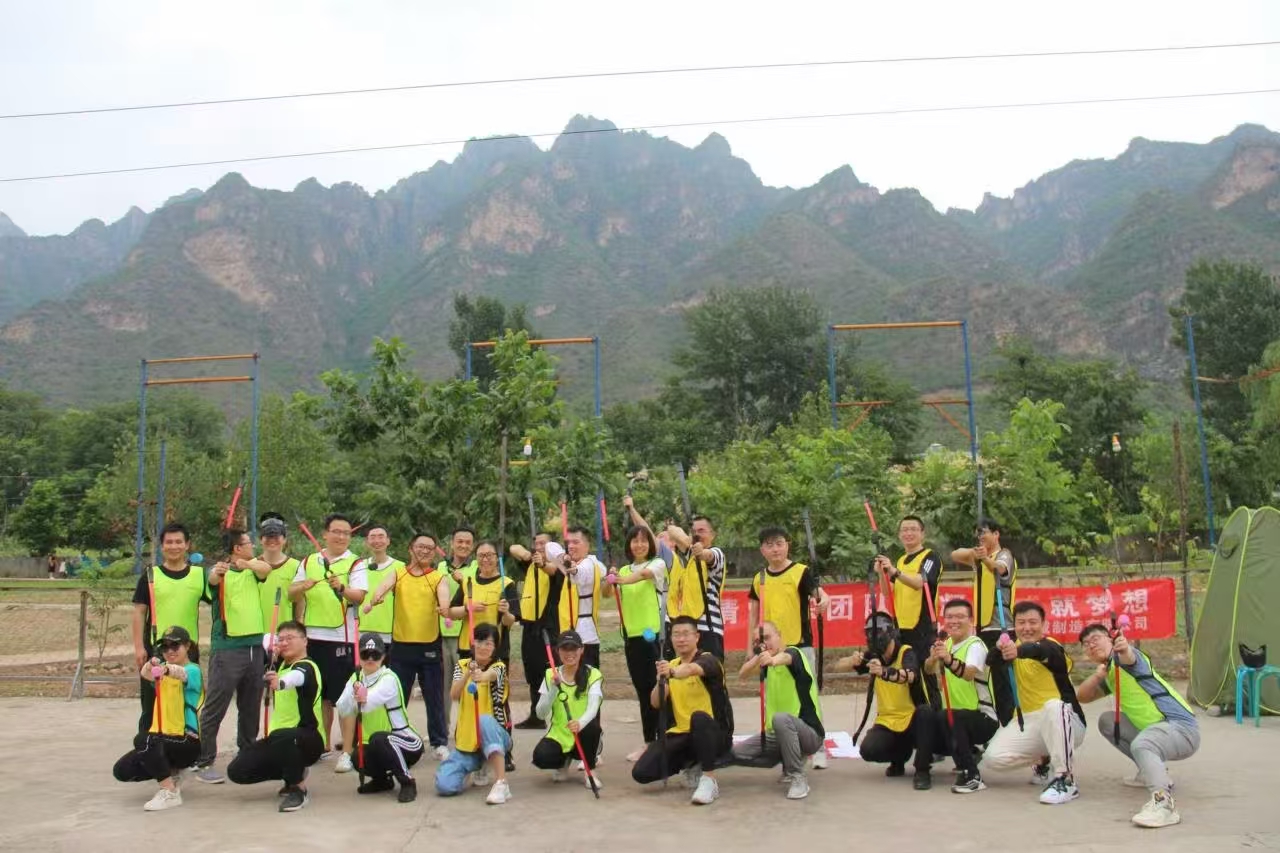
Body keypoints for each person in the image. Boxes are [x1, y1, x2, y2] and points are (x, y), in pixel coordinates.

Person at [1075, 622, 1199, 827]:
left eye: (1095, 639)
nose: (1091, 645)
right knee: (1107, 721)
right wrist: (1097, 676)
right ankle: (1150, 772)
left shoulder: (1129, 660)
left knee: (1143, 744)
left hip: (1180, 728)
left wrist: (1124, 647)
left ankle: (1164, 805)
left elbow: (1129, 656)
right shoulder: (1110, 672)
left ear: (1110, 639)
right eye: (1086, 644)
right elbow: (1083, 696)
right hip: (1158, 732)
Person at [979, 601, 1087, 805]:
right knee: (993, 758)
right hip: (1028, 721)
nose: (1027, 627)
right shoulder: (1011, 649)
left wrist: (1017, 651)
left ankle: (1066, 779)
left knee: (1053, 706)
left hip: (1066, 721)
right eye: (1021, 622)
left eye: (1032, 622)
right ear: (1014, 626)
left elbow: (1041, 651)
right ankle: (1044, 759)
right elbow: (990, 660)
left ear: (1044, 624)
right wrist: (1000, 648)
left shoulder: (1052, 647)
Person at [748, 526, 830, 767]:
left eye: (779, 543)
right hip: (769, 650)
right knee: (775, 698)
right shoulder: (759, 578)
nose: (775, 549)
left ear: (787, 545)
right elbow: (753, 614)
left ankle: (818, 748)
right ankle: (782, 748)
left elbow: (819, 594)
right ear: (762, 550)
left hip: (799, 646)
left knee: (808, 698)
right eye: (769, 545)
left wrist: (824, 600)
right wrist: (750, 648)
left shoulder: (800, 572)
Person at [194, 528, 271, 783]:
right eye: (248, 543)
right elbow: (212, 581)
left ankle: (246, 756)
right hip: (227, 649)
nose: (252, 546)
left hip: (254, 647)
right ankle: (204, 761)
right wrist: (218, 572)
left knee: (250, 707)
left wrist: (246, 563)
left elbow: (266, 570)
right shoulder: (219, 571)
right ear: (237, 548)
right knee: (216, 707)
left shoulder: (253, 568)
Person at [366, 533, 451, 761]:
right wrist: (376, 598)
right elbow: (383, 587)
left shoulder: (438, 577)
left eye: (430, 548)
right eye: (420, 546)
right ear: (410, 548)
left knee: (434, 696)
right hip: (402, 646)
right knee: (397, 696)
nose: (424, 551)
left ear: (434, 552)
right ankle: (397, 738)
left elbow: (444, 597)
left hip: (429, 645)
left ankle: (439, 742)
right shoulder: (398, 573)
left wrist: (444, 608)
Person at [632, 615, 734, 805]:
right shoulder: (670, 665)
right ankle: (692, 763)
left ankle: (709, 780)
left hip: (714, 734)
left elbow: (692, 669)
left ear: (697, 636)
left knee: (699, 718)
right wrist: (661, 680)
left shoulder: (709, 660)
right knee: (641, 772)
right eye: (676, 634)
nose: (681, 639)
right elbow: (655, 703)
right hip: (682, 734)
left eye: (686, 634)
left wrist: (672, 673)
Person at [288, 514, 367, 756]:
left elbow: (359, 596)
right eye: (336, 531)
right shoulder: (309, 561)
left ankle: (348, 748)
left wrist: (341, 588)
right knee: (319, 695)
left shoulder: (355, 563)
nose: (341, 536)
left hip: (342, 638)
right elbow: (291, 593)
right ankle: (322, 743)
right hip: (312, 637)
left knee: (343, 696)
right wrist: (302, 587)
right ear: (325, 534)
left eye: (346, 533)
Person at [226, 620, 325, 812]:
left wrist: (280, 683)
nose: (285, 643)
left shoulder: (307, 666)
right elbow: (265, 648)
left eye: (290, 638)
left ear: (305, 641)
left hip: (309, 739)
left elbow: (296, 677)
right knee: (237, 770)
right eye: (281, 639)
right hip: (280, 739)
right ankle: (293, 772)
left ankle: (298, 789)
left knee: (283, 736)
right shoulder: (278, 665)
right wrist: (272, 656)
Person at [834, 612, 939, 789]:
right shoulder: (874, 655)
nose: (874, 638)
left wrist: (884, 672)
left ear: (890, 633)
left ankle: (922, 770)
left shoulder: (906, 652)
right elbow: (836, 666)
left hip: (911, 718)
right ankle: (899, 757)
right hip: (888, 721)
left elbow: (910, 675)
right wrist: (851, 660)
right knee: (868, 750)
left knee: (926, 713)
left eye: (878, 633)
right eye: (870, 634)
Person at [112, 625, 204, 811]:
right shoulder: (161, 671)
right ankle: (171, 772)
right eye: (165, 647)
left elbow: (182, 674)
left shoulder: (193, 670)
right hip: (163, 737)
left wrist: (165, 669)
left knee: (143, 739)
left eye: (175, 646)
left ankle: (169, 792)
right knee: (122, 770)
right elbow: (145, 674)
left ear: (187, 646)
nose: (170, 651)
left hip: (186, 740)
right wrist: (151, 664)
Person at [732, 621, 824, 800]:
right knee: (737, 753)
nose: (764, 643)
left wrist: (772, 660)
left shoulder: (794, 654)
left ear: (779, 635)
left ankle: (797, 776)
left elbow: (786, 658)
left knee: (781, 719)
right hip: (776, 735)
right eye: (759, 641)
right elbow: (742, 674)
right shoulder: (765, 663)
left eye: (767, 637)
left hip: (809, 733)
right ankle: (785, 759)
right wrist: (759, 657)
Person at [131, 522, 208, 733]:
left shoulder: (199, 575)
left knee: (186, 703)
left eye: (178, 542)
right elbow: (139, 612)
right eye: (169, 542)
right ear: (162, 546)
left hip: (187, 650)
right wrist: (139, 647)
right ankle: (147, 744)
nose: (174, 546)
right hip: (158, 649)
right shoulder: (150, 575)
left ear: (187, 545)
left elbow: (218, 601)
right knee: (152, 704)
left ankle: (185, 744)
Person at [335, 633, 424, 802]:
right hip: (379, 743)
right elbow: (342, 708)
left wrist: (359, 696)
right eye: (365, 654)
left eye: (375, 654)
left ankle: (407, 782)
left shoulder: (389, 678)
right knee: (358, 756)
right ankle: (382, 780)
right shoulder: (356, 677)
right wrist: (353, 692)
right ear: (359, 656)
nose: (370, 659)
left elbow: (367, 704)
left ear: (383, 656)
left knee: (379, 739)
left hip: (407, 742)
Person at [603, 524, 666, 762]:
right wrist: (610, 578)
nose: (639, 545)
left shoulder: (657, 564)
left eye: (643, 540)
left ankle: (664, 740)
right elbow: (607, 593)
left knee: (659, 689)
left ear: (650, 544)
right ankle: (649, 742)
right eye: (634, 540)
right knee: (643, 692)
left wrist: (620, 579)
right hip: (632, 638)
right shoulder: (623, 569)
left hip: (654, 637)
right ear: (628, 545)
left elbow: (642, 576)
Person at [923, 598, 998, 793]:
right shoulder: (946, 643)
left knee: (951, 717)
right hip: (956, 715)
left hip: (983, 717)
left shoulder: (975, 645)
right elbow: (928, 670)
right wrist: (933, 657)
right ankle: (968, 756)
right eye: (949, 617)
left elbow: (968, 674)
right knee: (932, 719)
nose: (954, 621)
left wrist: (948, 659)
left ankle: (972, 775)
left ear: (971, 620)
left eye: (960, 617)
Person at [434, 624, 513, 805]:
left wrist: (481, 675)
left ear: (495, 647)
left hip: (497, 735)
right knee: (444, 785)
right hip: (467, 742)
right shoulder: (462, 665)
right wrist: (468, 674)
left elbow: (491, 675)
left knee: (483, 721)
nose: (483, 647)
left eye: (488, 643)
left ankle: (501, 783)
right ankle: (472, 766)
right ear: (472, 642)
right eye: (479, 641)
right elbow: (454, 695)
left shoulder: (499, 667)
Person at [951, 518, 1017, 725]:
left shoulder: (1004, 554)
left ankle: (1008, 722)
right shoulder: (978, 557)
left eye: (985, 533)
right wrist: (976, 554)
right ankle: (990, 720)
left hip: (1001, 626)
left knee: (1002, 680)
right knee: (983, 677)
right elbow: (955, 554)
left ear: (996, 534)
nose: (980, 537)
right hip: (982, 627)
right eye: (978, 534)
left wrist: (986, 559)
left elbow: (999, 568)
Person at [532, 630, 604, 789]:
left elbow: (593, 707)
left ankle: (590, 771)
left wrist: (580, 723)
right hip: (560, 735)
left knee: (592, 728)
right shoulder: (550, 674)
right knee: (541, 757)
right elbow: (540, 713)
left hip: (584, 732)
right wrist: (553, 689)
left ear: (582, 650)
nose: (569, 653)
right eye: (565, 649)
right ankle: (564, 761)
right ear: (558, 651)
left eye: (574, 648)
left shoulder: (593, 674)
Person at [510, 532, 560, 729]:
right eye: (536, 543)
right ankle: (536, 715)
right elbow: (513, 548)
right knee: (532, 672)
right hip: (529, 626)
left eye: (543, 544)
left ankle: (558, 715)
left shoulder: (558, 566)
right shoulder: (531, 563)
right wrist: (530, 556)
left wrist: (542, 562)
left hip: (547, 627)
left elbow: (552, 571)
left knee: (550, 672)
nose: (538, 546)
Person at [878, 515, 943, 658]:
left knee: (924, 668)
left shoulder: (930, 557)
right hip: (901, 627)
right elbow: (886, 591)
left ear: (922, 534)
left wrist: (894, 571)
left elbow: (919, 582)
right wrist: (882, 573)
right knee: (906, 668)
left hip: (922, 627)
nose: (908, 533)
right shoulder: (901, 561)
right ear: (899, 535)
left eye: (913, 529)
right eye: (904, 530)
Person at [666, 516, 727, 660]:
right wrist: (689, 539)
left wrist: (701, 551)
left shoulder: (717, 553)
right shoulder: (691, 554)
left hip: (709, 631)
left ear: (712, 535)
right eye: (694, 531)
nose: (697, 534)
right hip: (690, 632)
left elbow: (709, 556)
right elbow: (673, 533)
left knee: (710, 673)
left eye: (702, 531)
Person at [449, 541, 520, 664]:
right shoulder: (467, 582)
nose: (485, 559)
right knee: (466, 677)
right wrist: (467, 608)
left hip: (494, 649)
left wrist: (506, 612)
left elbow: (510, 621)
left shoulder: (507, 584)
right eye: (481, 556)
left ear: (497, 558)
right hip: (468, 647)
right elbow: (451, 613)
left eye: (489, 555)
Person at [437, 526, 478, 734]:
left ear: (472, 546)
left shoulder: (477, 567)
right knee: (443, 685)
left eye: (467, 542)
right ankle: (442, 728)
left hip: (465, 636)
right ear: (452, 544)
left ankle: (465, 727)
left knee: (465, 683)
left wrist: (462, 580)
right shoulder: (440, 567)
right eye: (459, 541)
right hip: (441, 635)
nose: (463, 545)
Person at [554, 526, 607, 669]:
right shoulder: (570, 561)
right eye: (568, 542)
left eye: (576, 542)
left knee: (587, 679)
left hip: (585, 638)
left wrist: (574, 570)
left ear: (587, 545)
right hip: (568, 635)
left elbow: (582, 573)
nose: (570, 546)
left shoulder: (590, 564)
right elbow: (550, 547)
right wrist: (564, 557)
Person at [356, 525, 402, 650]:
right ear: (367, 542)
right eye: (372, 537)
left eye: (381, 537)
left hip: (390, 632)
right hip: (361, 630)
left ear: (388, 541)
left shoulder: (401, 567)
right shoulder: (359, 566)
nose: (377, 541)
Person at [258, 513, 298, 626]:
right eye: (268, 536)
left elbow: (301, 602)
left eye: (276, 536)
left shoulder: (297, 567)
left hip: (285, 631)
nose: (272, 540)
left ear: (284, 539)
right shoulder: (251, 566)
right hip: (256, 633)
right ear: (260, 539)